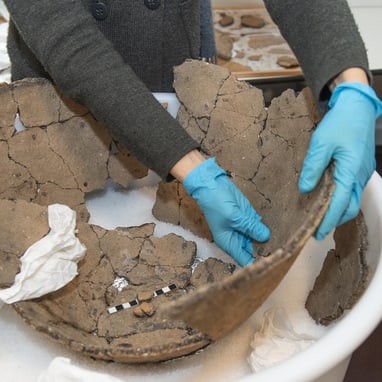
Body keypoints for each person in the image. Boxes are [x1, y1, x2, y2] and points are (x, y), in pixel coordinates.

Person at [3, 0, 381, 267]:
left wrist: (350, 84)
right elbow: (67, 38)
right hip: (62, 102)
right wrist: (192, 167)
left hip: (173, 60)